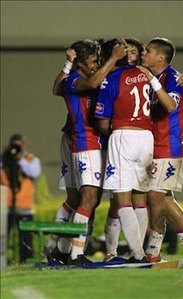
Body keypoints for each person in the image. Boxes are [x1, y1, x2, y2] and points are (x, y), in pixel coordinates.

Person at [48, 39, 127, 266]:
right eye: (93, 61)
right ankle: (74, 253)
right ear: (80, 63)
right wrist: (113, 59)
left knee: (89, 201)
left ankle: (64, 249)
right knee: (87, 199)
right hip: (85, 144)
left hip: (95, 144)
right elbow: (90, 83)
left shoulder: (82, 76)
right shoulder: (74, 80)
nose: (96, 65)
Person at [138, 37, 183, 264]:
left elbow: (170, 105)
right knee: (161, 198)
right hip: (156, 145)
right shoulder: (155, 77)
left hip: (171, 145)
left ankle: (169, 249)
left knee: (156, 196)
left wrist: (154, 81)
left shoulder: (172, 78)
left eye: (147, 51)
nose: (143, 54)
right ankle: (176, 249)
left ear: (160, 57)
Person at [95, 39, 156, 263]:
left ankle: (138, 255)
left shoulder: (111, 78)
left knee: (121, 200)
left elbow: (102, 121)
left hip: (124, 136)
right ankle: (138, 252)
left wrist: (108, 130)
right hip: (147, 137)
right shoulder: (149, 75)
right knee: (140, 199)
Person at [0, 134, 41, 263]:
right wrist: (6, 158)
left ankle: (26, 262)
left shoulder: (30, 159)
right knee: (3, 238)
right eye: (14, 145)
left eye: (19, 145)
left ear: (24, 144)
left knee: (25, 240)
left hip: (25, 207)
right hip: (6, 208)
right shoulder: (4, 160)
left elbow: (34, 173)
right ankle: (3, 262)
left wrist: (20, 160)